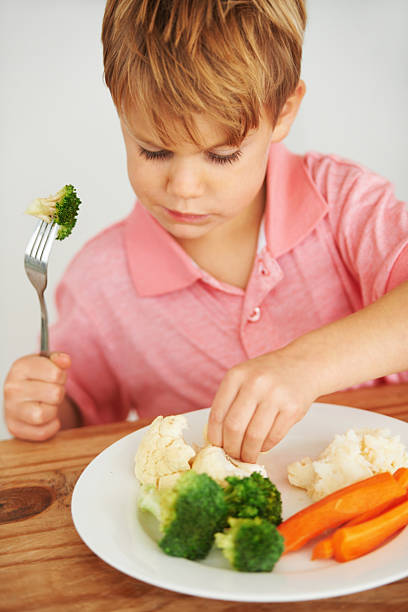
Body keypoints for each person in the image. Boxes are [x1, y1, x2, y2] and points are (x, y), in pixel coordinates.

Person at [3, 0, 408, 463]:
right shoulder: (100, 282)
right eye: (153, 151)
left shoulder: (342, 203)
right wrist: (42, 408)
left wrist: (306, 364)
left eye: (220, 155)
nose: (184, 189)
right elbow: (80, 421)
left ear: (284, 112)